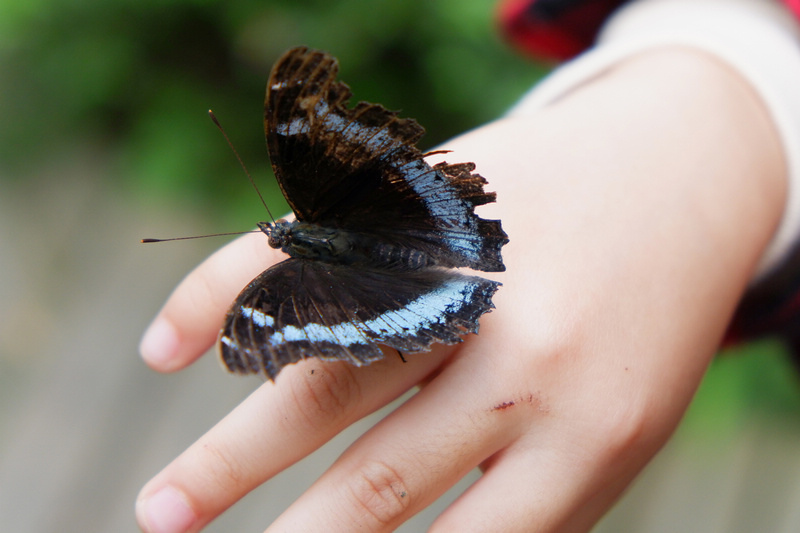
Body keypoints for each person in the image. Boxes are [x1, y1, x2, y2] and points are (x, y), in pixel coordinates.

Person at [135, 0, 800, 531]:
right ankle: (436, 295)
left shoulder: (273, 293)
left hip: (409, 256)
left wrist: (734, 97)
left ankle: (435, 298)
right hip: (417, 231)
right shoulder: (287, 258)